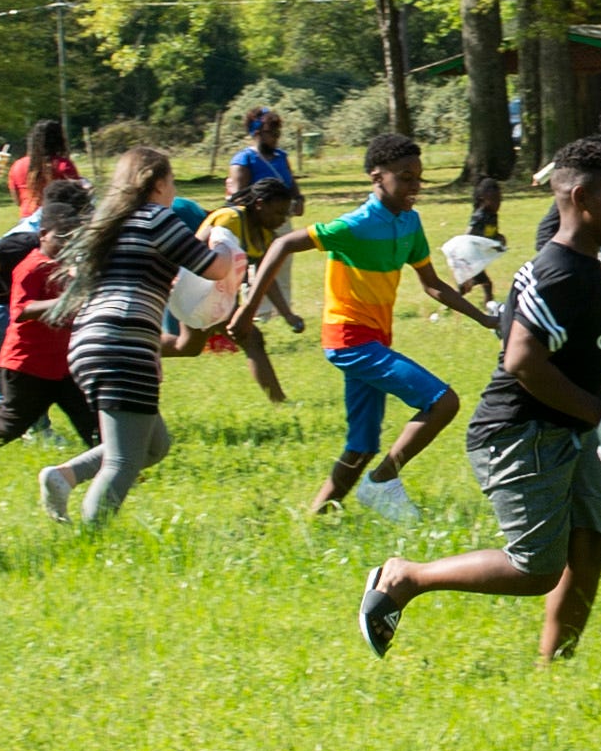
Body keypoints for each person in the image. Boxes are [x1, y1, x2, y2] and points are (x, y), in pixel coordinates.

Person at [357, 138, 601, 663]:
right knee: (536, 568)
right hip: (521, 434)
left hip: (568, 426)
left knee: (588, 547)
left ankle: (554, 670)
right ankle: (404, 578)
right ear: (580, 199)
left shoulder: (583, 268)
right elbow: (523, 362)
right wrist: (599, 410)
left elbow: (566, 358)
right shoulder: (561, 272)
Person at [240, 131, 500, 520]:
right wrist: (247, 312)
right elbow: (282, 245)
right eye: (405, 177)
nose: (415, 186)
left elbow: (432, 285)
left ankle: (317, 518)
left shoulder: (410, 222)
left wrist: (485, 318)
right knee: (443, 402)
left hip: (375, 340)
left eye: (418, 178)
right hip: (349, 339)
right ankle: (382, 482)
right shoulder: (356, 224)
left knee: (361, 445)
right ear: (377, 176)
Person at [31, 148, 237, 525]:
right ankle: (93, 539)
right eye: (172, 181)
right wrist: (225, 241)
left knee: (154, 445)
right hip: (125, 342)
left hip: (88, 343)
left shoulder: (110, 222)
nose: (173, 189)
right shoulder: (158, 218)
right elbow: (215, 268)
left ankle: (63, 477)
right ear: (157, 183)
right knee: (124, 461)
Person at [0, 181, 102, 471]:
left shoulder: (67, 262)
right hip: (27, 364)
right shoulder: (29, 263)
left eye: (74, 237)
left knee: (88, 415)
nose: (68, 243)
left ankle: (117, 465)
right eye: (63, 238)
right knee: (12, 420)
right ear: (43, 235)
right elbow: (23, 311)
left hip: (59, 362)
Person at [192, 177, 299, 403]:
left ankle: (135, 350)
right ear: (259, 204)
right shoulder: (230, 219)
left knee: (187, 346)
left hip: (218, 295)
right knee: (252, 338)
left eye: (286, 214)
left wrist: (287, 314)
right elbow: (196, 251)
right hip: (197, 289)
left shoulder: (265, 233)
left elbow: (266, 278)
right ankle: (280, 402)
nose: (282, 220)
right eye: (278, 213)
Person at [225, 110, 308, 332]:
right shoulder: (244, 159)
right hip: (258, 221)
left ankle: (283, 309)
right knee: (258, 266)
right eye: (272, 132)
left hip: (281, 217)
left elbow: (290, 183)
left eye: (278, 132)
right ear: (257, 133)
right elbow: (239, 195)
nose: (276, 137)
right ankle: (259, 313)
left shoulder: (281, 157)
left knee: (282, 262)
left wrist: (298, 198)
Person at [8, 118, 81, 218]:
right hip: (57, 220)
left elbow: (17, 200)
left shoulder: (17, 165)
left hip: (28, 219)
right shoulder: (63, 165)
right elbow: (77, 196)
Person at [457, 176, 508, 303]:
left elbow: (491, 233)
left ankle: (451, 301)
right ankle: (489, 306)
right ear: (483, 199)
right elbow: (468, 235)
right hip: (470, 256)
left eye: (499, 200)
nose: (498, 204)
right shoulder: (479, 216)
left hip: (478, 256)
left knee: (467, 286)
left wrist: (499, 238)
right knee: (486, 284)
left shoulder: (492, 216)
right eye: (494, 200)